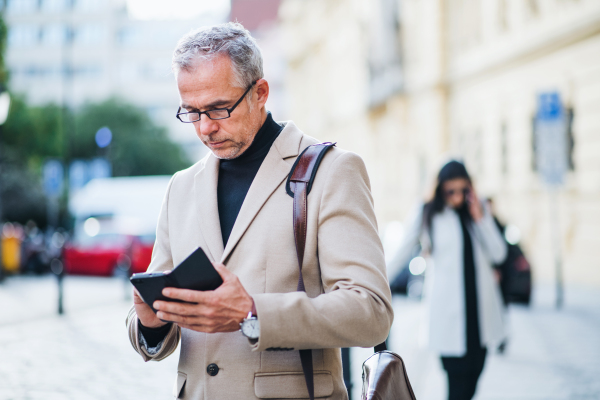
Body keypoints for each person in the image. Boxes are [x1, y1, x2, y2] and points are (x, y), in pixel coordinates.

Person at [125, 23, 393, 400]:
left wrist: (252, 311)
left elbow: (372, 312)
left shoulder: (332, 170)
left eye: (218, 109)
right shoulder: (181, 187)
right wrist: (151, 323)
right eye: (191, 112)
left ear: (261, 92)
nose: (205, 127)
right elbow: (163, 332)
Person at [391, 160, 507, 400]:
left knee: (474, 380)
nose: (456, 197)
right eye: (450, 191)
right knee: (456, 385)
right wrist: (376, 280)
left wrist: (480, 218)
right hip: (449, 317)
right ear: (440, 190)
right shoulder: (427, 212)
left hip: (478, 316)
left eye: (462, 191)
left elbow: (499, 253)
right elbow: (403, 249)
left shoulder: (478, 210)